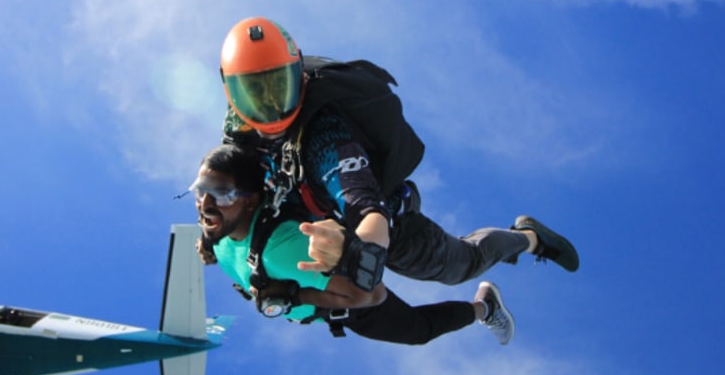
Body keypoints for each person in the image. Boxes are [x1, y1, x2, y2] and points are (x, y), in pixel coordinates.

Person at [218, 16, 579, 292]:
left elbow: (360, 198)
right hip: (310, 206)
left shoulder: (325, 134)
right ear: (232, 95)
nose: (272, 109)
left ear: (302, 76)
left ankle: (530, 238)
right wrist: (210, 235)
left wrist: (364, 247)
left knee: (462, 265)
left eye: (280, 87)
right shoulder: (238, 130)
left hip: (388, 218)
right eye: (254, 95)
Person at [193, 143, 515, 345]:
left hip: (346, 301)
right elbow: (223, 234)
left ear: (250, 202)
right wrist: (209, 243)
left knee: (419, 330)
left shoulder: (281, 251)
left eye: (220, 194)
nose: (205, 203)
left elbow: (371, 294)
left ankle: (486, 306)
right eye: (200, 189)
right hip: (336, 265)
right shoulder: (219, 235)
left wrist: (292, 296)